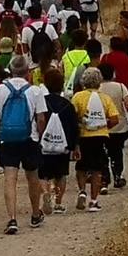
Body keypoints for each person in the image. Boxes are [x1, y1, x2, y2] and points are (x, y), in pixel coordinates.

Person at [0, 55, 48, 234]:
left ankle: (12, 218)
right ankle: (35, 213)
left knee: (10, 178)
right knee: (32, 177)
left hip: (7, 138)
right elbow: (41, 118)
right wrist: (39, 134)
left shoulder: (0, 90)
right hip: (30, 138)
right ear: (27, 72)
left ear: (10, 70)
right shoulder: (35, 91)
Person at [70, 68, 120, 212]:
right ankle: (93, 200)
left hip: (83, 136)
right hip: (100, 136)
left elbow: (73, 117)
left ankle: (82, 191)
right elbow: (115, 118)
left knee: (81, 166)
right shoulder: (105, 98)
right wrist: (104, 126)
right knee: (97, 168)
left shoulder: (78, 97)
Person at [39, 68, 79, 214]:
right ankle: (58, 202)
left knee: (42, 174)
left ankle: (45, 193)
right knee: (61, 174)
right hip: (63, 146)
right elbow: (74, 126)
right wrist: (75, 146)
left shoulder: (42, 102)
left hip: (44, 145)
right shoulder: (67, 105)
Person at [98, 62, 128, 189]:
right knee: (117, 151)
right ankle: (118, 175)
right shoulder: (121, 87)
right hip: (119, 126)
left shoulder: (97, 89)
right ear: (113, 74)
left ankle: (104, 178)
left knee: (103, 152)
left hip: (102, 126)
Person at [61, 28, 91, 95]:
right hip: (83, 89)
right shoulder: (87, 57)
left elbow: (62, 72)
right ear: (85, 42)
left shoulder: (66, 56)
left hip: (68, 88)